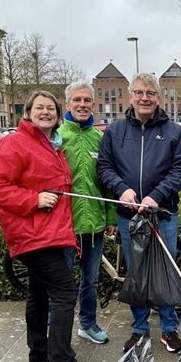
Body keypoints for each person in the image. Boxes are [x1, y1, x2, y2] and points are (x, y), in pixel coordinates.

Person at [0, 90, 93, 362]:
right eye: (39, 108)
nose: (45, 112)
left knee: (40, 292)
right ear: (28, 113)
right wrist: (33, 199)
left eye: (51, 109)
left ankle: (39, 352)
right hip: (33, 234)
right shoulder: (14, 144)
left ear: (58, 115)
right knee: (65, 293)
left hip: (50, 232)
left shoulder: (49, 145)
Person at [98, 73, 181, 353]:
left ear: (159, 98)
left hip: (162, 215)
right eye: (138, 92)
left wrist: (155, 196)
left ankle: (169, 328)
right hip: (129, 218)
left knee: (165, 272)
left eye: (150, 93)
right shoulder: (115, 132)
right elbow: (104, 168)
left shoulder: (174, 131)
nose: (144, 98)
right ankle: (139, 329)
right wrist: (121, 189)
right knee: (136, 273)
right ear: (130, 97)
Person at [60, 81, 117, 345]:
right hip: (64, 224)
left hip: (93, 221)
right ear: (67, 104)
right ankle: (58, 331)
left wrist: (111, 218)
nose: (82, 105)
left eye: (87, 101)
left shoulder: (100, 138)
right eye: (77, 100)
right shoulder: (58, 137)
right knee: (62, 282)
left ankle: (88, 323)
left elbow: (107, 181)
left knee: (90, 279)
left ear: (93, 105)